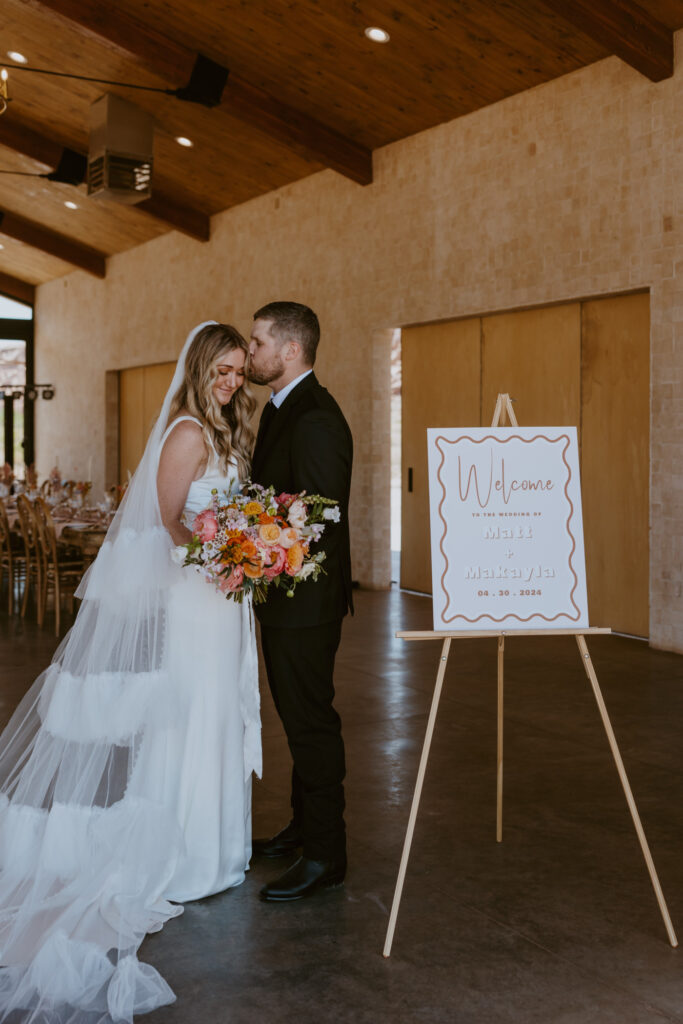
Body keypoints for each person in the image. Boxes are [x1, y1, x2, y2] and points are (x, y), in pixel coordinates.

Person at [0, 322, 261, 1023]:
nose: (231, 380)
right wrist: (221, 557)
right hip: (194, 598)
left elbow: (222, 514)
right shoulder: (185, 431)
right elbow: (165, 518)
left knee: (216, 718)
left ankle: (219, 852)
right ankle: (185, 855)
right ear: (200, 366)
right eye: (223, 369)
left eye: (239, 370)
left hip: (222, 601)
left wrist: (251, 549)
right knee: (192, 718)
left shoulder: (225, 430)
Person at [248, 301, 353, 901]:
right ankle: (301, 828)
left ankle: (326, 854)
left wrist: (250, 546)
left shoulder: (315, 415)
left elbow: (320, 518)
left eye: (260, 342)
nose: (253, 350)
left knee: (311, 723)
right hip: (284, 597)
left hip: (305, 603)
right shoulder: (283, 407)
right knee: (296, 719)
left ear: (291, 351)